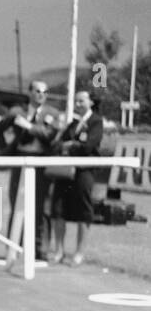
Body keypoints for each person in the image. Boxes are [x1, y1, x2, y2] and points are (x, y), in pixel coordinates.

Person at [0, 80, 60, 259]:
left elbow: (49, 133)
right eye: (38, 91)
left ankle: (41, 249)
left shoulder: (52, 113)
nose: (41, 95)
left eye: (45, 92)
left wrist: (29, 126)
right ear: (30, 92)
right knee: (17, 204)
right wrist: (5, 149)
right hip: (20, 160)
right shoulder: (17, 112)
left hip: (42, 162)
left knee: (43, 206)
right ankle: (13, 247)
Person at [47, 89, 104, 266]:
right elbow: (56, 145)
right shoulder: (71, 124)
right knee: (58, 209)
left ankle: (79, 252)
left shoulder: (96, 122)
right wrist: (69, 143)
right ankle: (59, 250)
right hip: (65, 172)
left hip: (84, 171)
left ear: (90, 103)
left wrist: (70, 145)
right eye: (76, 101)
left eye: (81, 101)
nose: (77, 105)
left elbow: (88, 147)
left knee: (83, 211)